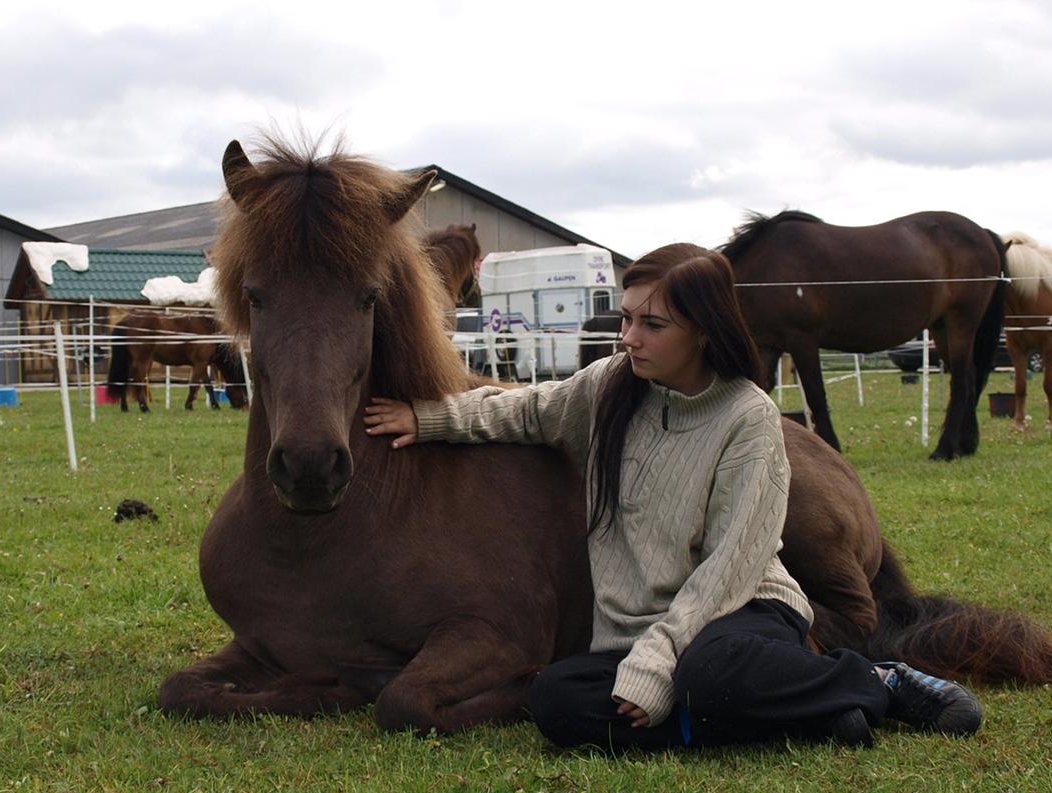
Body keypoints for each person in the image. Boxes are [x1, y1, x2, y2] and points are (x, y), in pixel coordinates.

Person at [364, 243, 983, 753]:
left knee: (706, 675)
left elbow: (732, 563)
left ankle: (874, 681)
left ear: (704, 332)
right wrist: (428, 419)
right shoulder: (612, 384)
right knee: (556, 699)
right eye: (627, 318)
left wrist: (659, 658)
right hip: (639, 629)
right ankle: (802, 716)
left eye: (651, 325)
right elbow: (529, 410)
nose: (629, 336)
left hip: (741, 610)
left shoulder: (749, 417)